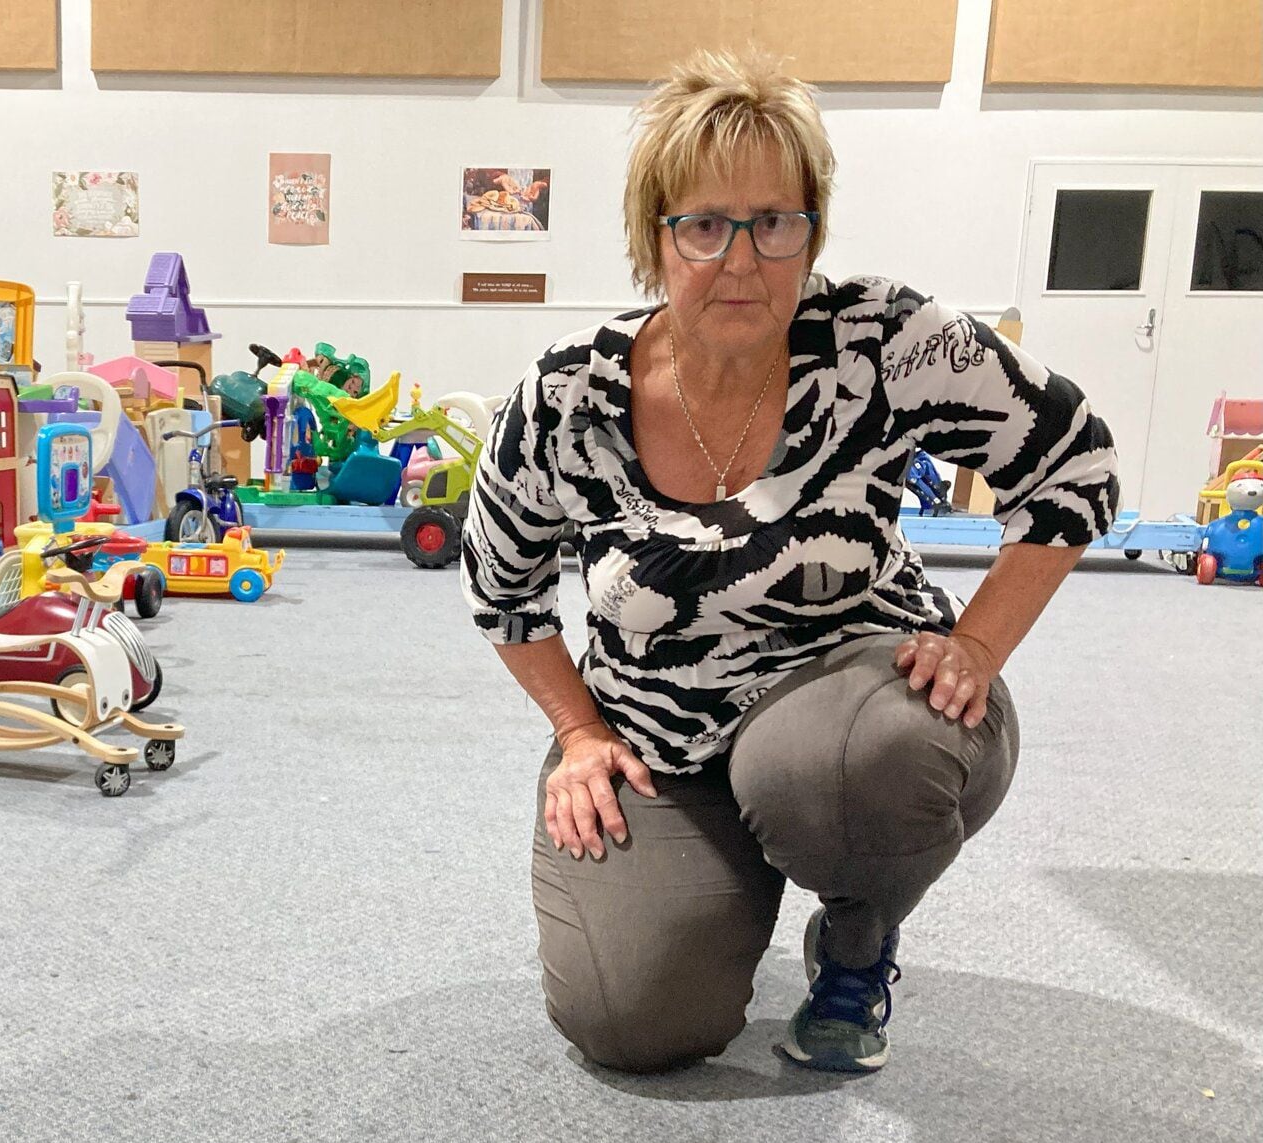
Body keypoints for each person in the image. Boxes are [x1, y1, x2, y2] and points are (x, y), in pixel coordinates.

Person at [460, 50, 1117, 1075]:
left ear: (810, 227)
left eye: (774, 222)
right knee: (630, 1024)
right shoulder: (564, 396)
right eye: (703, 225)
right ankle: (721, 884)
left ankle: (855, 935)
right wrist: (578, 734)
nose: (740, 260)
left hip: (853, 709)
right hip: (659, 737)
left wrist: (976, 645)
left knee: (842, 778)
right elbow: (500, 592)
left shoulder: (882, 339)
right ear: (652, 236)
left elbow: (1076, 464)